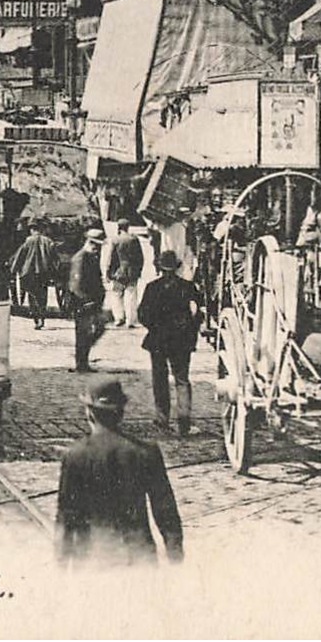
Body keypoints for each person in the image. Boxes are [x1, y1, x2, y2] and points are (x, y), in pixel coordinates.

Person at [55, 376, 185, 566]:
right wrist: (175, 558)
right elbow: (166, 512)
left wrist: (61, 565)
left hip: (93, 560)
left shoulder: (76, 455)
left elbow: (66, 517)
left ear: (89, 413)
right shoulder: (146, 452)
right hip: (139, 558)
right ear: (121, 412)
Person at [136, 250, 204, 436]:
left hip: (158, 340)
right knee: (182, 379)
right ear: (177, 267)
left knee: (160, 379)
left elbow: (142, 314)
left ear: (158, 267)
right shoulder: (188, 286)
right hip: (182, 341)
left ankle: (162, 418)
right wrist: (190, 328)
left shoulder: (152, 287)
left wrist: (155, 327)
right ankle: (184, 421)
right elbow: (200, 312)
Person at [66, 228, 108, 373]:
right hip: (83, 303)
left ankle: (82, 361)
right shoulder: (81, 257)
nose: (98, 249)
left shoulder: (90, 257)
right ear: (90, 243)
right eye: (96, 245)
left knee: (95, 330)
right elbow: (75, 284)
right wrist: (86, 301)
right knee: (83, 333)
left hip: (92, 302)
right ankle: (81, 363)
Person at [9, 220, 60, 329]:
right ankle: (42, 318)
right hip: (44, 274)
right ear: (41, 230)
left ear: (32, 230)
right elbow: (55, 259)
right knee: (42, 296)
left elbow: (19, 256)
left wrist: (13, 270)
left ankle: (36, 319)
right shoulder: (49, 241)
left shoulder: (28, 241)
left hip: (29, 273)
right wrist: (55, 274)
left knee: (32, 296)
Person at [107, 217, 145, 327]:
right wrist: (139, 270)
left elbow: (112, 258)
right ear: (128, 227)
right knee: (131, 295)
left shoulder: (115, 240)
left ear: (118, 227)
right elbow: (140, 258)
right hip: (132, 271)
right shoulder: (134, 239)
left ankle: (119, 318)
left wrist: (109, 272)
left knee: (117, 295)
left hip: (119, 272)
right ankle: (130, 320)